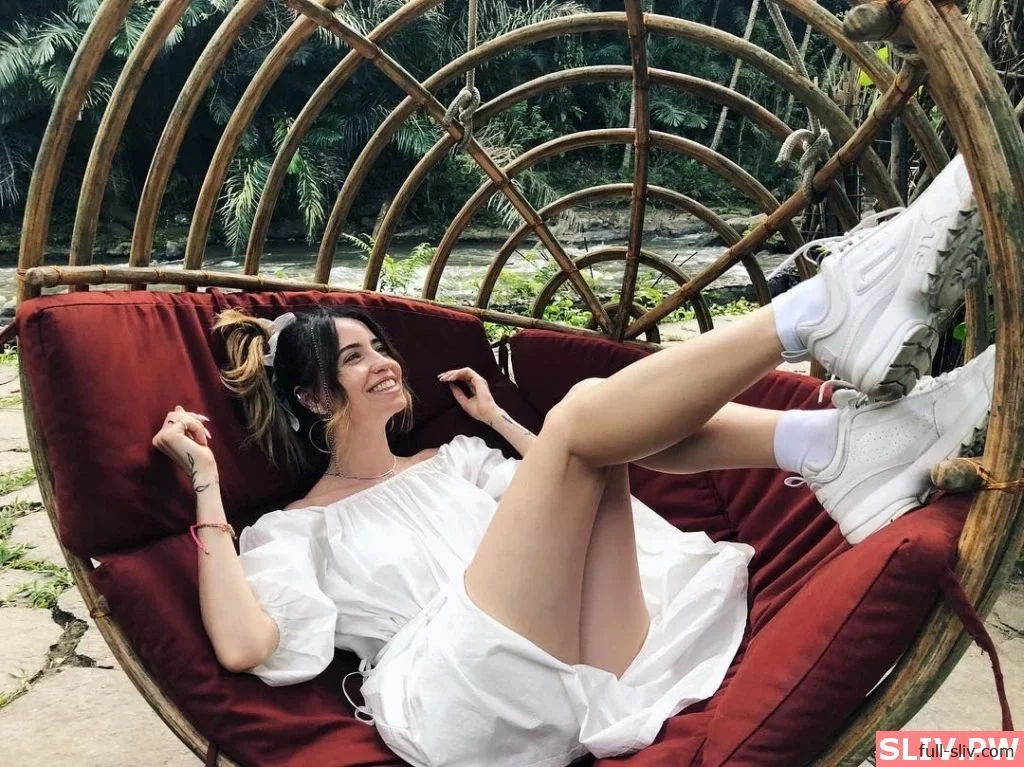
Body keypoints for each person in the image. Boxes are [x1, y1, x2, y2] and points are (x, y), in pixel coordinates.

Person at [152, 155, 993, 766]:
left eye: (380, 346)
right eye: (352, 358)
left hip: (585, 664)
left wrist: (499, 421)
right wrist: (206, 485)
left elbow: (567, 477)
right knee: (582, 415)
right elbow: (245, 644)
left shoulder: (452, 458)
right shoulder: (295, 530)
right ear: (310, 397)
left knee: (590, 424)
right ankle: (820, 325)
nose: (383, 363)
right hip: (464, 695)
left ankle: (837, 441)